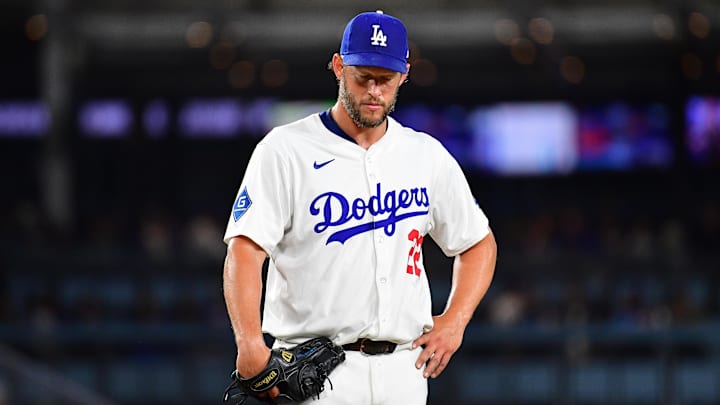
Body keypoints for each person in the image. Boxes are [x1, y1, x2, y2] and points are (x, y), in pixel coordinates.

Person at [222, 10, 497, 405]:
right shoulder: (285, 150)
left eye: (384, 79)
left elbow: (477, 243)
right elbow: (245, 251)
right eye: (362, 76)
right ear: (338, 67)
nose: (373, 91)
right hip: (314, 371)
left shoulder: (425, 155)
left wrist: (456, 319)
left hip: (404, 370)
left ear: (404, 73)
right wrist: (249, 341)